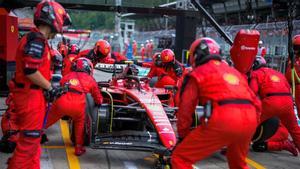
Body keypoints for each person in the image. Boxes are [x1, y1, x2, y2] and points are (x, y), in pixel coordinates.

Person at [171, 37, 260, 169]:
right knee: (238, 164)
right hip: (250, 119)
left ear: (195, 55)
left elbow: (186, 107)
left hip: (224, 119)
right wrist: (252, 125)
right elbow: (257, 102)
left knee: (180, 158)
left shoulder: (197, 73)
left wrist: (183, 136)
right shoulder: (235, 72)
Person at [7, 1, 71, 168]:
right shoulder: (36, 40)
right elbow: (30, 70)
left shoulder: (36, 39)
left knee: (33, 145)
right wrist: (50, 87)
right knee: (27, 146)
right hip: (30, 98)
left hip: (32, 96)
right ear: (53, 18)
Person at [45, 58, 103, 156]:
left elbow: (61, 84)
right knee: (80, 124)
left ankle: (33, 136)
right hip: (78, 105)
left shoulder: (67, 76)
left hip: (62, 103)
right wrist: (99, 102)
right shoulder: (91, 80)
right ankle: (78, 148)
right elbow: (97, 97)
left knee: (46, 120)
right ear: (89, 68)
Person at [249, 56, 300, 153]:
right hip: (287, 102)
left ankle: (235, 148)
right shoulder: (279, 73)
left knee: (250, 124)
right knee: (295, 130)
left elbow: (252, 93)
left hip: (271, 102)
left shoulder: (256, 74)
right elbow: (287, 88)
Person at [285, 35, 300, 117]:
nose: (295, 49)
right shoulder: (292, 57)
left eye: (297, 47)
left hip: (297, 87)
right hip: (289, 86)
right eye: (294, 47)